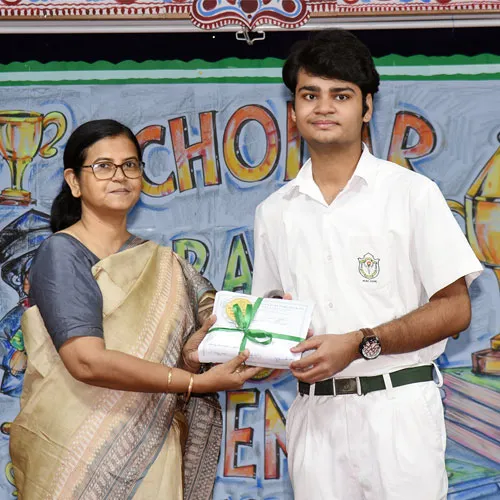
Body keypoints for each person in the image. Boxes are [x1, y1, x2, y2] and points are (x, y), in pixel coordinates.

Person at [251, 30, 483, 500]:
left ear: (367, 107)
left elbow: (455, 309)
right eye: (310, 95)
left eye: (341, 95)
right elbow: (271, 317)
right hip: (315, 418)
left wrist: (360, 343)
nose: (323, 108)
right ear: (292, 112)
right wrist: (234, 340)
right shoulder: (274, 211)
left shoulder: (412, 194)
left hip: (398, 410)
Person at [10, 119, 261, 500]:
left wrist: (191, 357)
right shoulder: (61, 252)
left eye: (130, 165)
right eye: (103, 166)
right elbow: (86, 361)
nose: (120, 175)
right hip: (72, 456)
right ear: (74, 182)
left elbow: (196, 338)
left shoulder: (165, 265)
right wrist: (193, 383)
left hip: (151, 448)